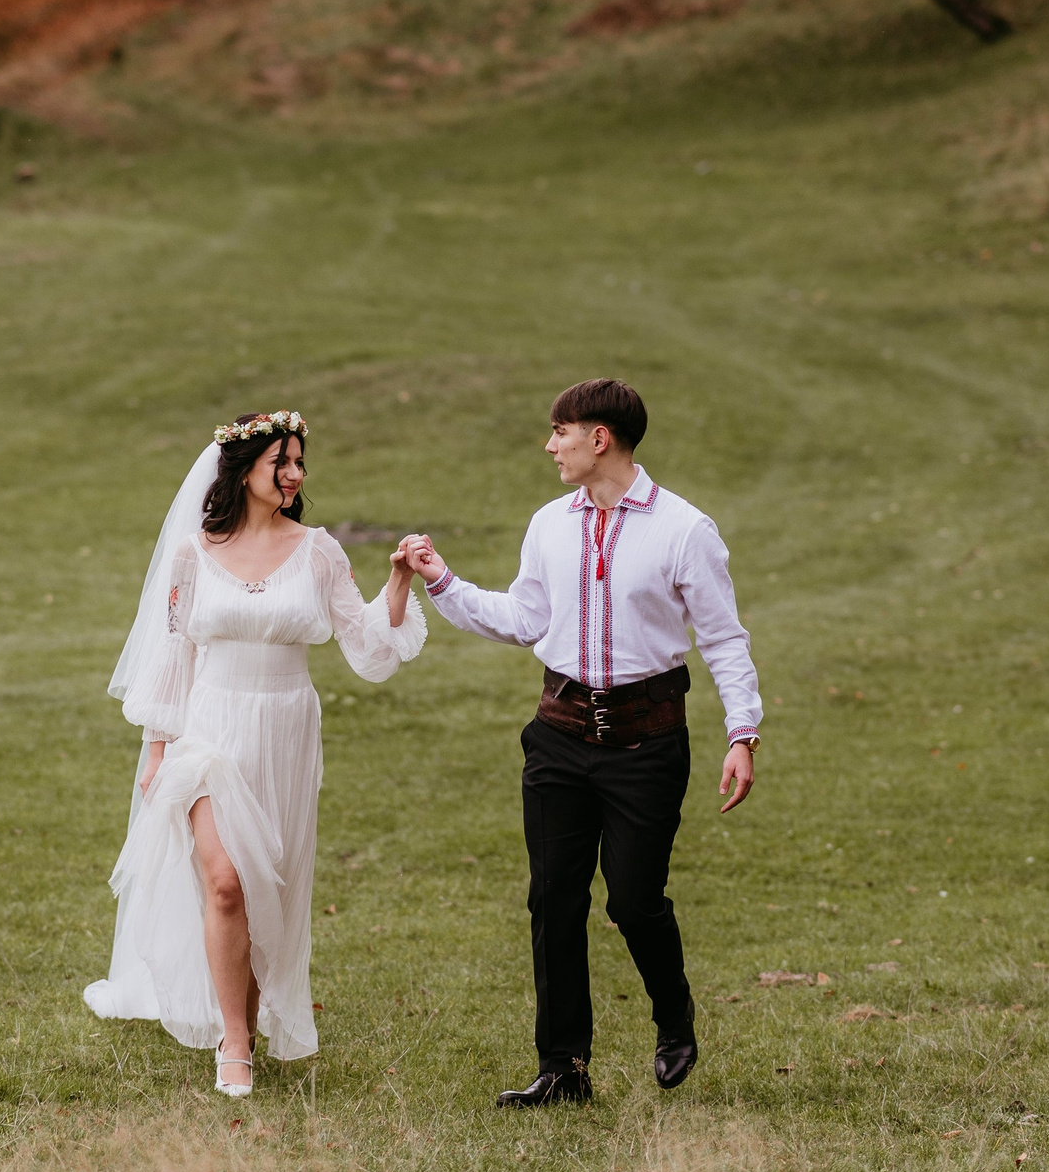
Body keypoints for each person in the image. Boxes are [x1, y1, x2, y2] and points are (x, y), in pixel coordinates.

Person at [401, 379, 761, 1107]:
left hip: (647, 746)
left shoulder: (685, 530)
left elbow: (722, 637)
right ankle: (563, 1069)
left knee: (633, 901)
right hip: (559, 740)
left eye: (560, 431)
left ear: (600, 438)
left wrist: (742, 732)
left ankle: (674, 1018)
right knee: (553, 900)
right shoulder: (550, 524)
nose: (550, 445)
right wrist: (444, 583)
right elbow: (525, 617)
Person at [86, 411, 426, 1098]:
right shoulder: (192, 554)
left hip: (286, 729)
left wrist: (397, 581)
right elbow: (173, 655)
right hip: (207, 730)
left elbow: (367, 646)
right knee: (223, 881)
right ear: (244, 469)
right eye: (282, 460)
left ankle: (248, 1010)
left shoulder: (320, 551)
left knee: (268, 885)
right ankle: (234, 1044)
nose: (295, 473)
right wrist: (155, 752)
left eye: (300, 461)